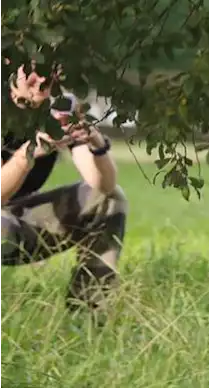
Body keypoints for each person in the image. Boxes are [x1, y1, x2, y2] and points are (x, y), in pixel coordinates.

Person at [1, 60, 127, 311]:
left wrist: (96, 143)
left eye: (50, 71)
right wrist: (29, 153)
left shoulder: (61, 109)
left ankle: (88, 317)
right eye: (32, 70)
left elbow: (102, 184)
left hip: (13, 219)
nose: (42, 79)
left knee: (110, 200)